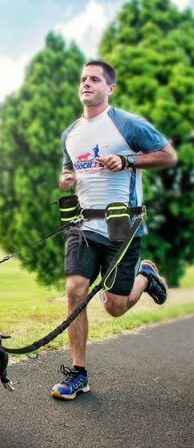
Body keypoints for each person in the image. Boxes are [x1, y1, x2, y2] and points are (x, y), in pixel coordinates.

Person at [52, 60, 177, 400]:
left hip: (123, 227)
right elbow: (69, 171)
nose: (87, 84)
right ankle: (78, 373)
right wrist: (66, 179)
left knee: (115, 307)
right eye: (83, 79)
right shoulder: (71, 133)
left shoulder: (127, 124)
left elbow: (167, 155)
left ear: (110, 88)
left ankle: (145, 276)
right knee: (75, 287)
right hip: (83, 225)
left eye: (95, 79)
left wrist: (127, 160)